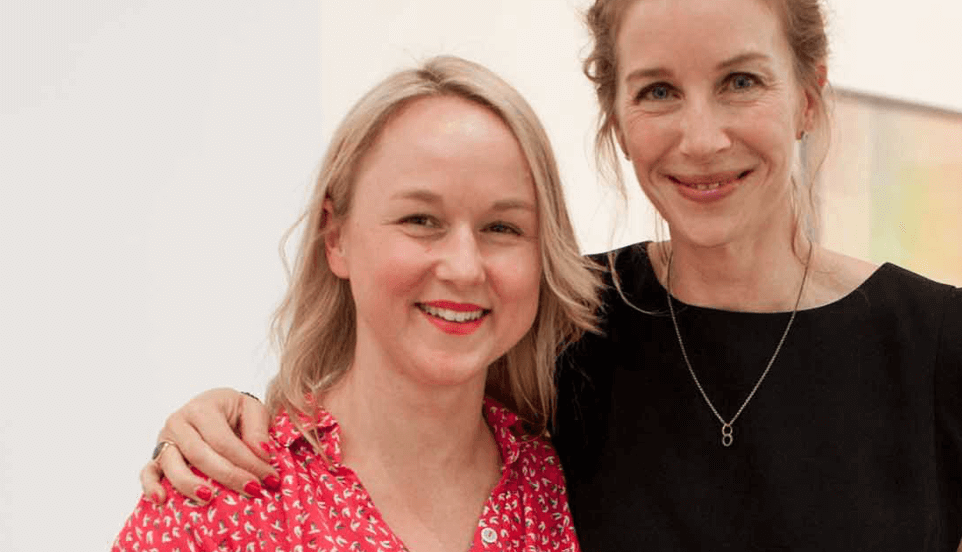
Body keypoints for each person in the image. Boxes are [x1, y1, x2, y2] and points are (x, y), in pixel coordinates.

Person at [136, 0, 962, 551]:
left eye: (740, 81)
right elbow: (385, 410)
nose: (701, 137)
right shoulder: (562, 327)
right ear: (615, 117)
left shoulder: (954, 365)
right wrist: (223, 416)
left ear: (807, 94)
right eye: (657, 91)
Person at [114, 56, 601, 552]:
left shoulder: (573, 483)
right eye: (420, 220)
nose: (464, 268)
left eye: (502, 227)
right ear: (335, 237)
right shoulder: (215, 504)